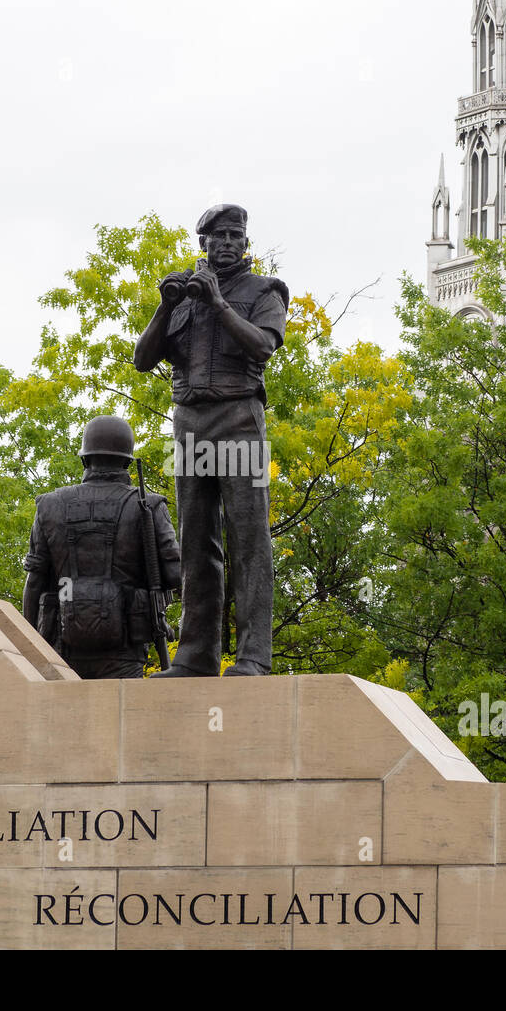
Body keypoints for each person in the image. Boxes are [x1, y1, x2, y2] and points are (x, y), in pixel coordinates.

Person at [132, 204, 287, 676]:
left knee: (248, 539)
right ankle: (196, 654)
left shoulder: (264, 291)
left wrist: (218, 302)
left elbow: (263, 346)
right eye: (217, 236)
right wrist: (167, 304)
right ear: (203, 243)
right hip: (190, 423)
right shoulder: (183, 298)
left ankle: (254, 656)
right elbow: (142, 360)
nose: (226, 242)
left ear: (245, 242)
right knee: (194, 540)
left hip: (238, 416)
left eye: (234, 235)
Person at [22, 415, 181, 678]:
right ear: (127, 461)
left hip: (59, 649)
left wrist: (29, 646)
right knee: (121, 717)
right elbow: (177, 575)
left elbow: (35, 582)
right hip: (125, 652)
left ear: (85, 459)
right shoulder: (149, 506)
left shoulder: (48, 506)